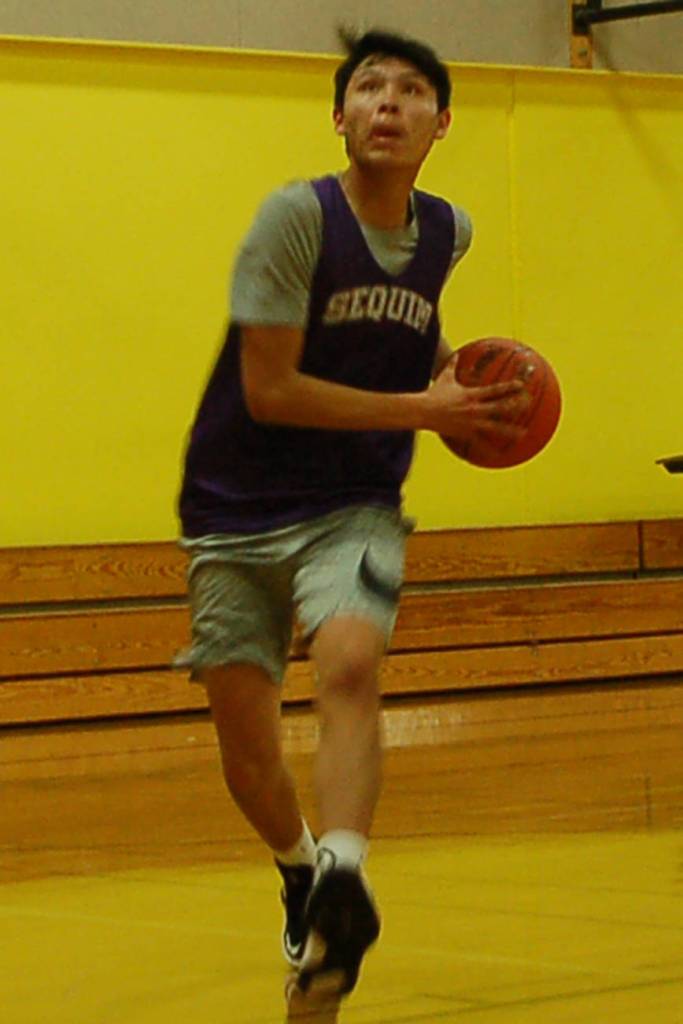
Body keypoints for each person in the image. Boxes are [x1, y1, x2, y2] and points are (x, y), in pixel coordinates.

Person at [176, 27, 525, 1000]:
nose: (386, 102)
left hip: (353, 501)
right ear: (337, 117)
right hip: (233, 505)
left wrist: (450, 371)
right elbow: (270, 388)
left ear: (440, 121)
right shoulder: (294, 219)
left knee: (350, 659)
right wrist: (427, 407)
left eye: (410, 90)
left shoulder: (447, 232)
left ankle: (340, 869)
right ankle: (297, 867)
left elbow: (402, 325)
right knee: (246, 752)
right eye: (367, 87)